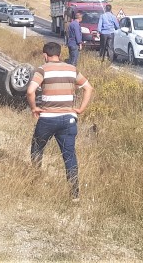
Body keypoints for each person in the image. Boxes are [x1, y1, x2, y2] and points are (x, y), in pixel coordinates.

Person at [27, 42, 93, 202]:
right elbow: (88, 88)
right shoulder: (72, 69)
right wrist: (80, 109)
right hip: (68, 119)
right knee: (69, 155)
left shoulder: (42, 70)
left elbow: (30, 91)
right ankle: (75, 195)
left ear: (45, 55)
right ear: (59, 54)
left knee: (37, 148)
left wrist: (34, 108)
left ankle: (34, 180)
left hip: (47, 119)